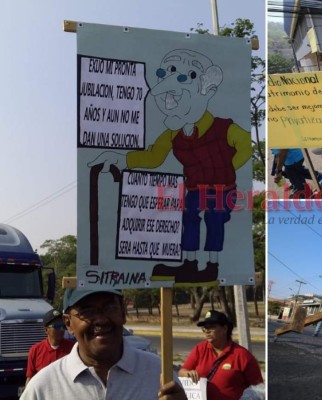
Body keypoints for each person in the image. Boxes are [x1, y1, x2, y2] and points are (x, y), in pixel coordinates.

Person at [88, 50, 252, 286]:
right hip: (196, 188)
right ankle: (190, 263)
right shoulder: (174, 132)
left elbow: (245, 145)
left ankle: (212, 265)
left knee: (214, 219)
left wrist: (226, 168)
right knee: (190, 218)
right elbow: (154, 157)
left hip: (222, 188)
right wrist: (121, 159)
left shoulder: (223, 128)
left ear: (207, 90)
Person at [21, 288, 185, 400]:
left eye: (110, 307)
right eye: (88, 311)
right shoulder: (43, 388)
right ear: (68, 323)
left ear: (123, 313)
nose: (101, 319)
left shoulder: (159, 373)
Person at [179, 310, 263, 400]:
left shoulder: (242, 355)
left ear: (224, 329)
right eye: (205, 328)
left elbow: (259, 389)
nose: (207, 331)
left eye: (212, 327)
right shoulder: (199, 349)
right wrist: (188, 373)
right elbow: (181, 372)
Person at [25, 309, 75, 383]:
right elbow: (30, 379)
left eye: (63, 326)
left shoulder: (73, 349)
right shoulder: (35, 350)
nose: (61, 329)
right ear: (46, 330)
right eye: (57, 326)